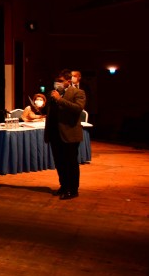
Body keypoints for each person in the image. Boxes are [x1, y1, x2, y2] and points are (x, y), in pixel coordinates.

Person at [44, 69, 86, 200]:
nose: (57, 83)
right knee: (59, 162)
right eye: (56, 81)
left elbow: (77, 108)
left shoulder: (78, 93)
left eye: (60, 81)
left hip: (69, 134)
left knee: (70, 163)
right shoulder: (54, 94)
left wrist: (59, 100)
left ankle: (73, 190)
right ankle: (63, 185)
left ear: (68, 81)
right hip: (55, 133)